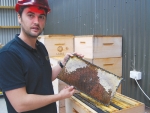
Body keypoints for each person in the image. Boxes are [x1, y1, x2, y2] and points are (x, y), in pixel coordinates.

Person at [0, 0, 83, 113]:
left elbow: (45, 78)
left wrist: (63, 63)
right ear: (19, 17)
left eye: (41, 17)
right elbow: (21, 104)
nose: (36, 22)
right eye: (30, 15)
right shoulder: (9, 54)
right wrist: (59, 96)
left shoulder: (41, 47)